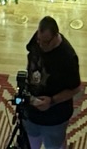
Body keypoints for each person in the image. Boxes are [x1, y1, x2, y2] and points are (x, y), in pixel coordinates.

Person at [23, 16, 81, 149]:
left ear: (55, 36)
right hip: (31, 110)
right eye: (39, 40)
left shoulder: (68, 58)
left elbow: (76, 88)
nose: (40, 45)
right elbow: (30, 56)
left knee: (54, 145)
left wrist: (52, 101)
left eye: (45, 42)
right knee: (31, 142)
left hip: (54, 117)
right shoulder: (38, 39)